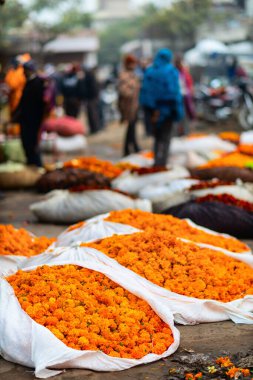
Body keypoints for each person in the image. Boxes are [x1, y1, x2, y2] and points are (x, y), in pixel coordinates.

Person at [140, 48, 183, 167]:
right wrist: (177, 112)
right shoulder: (171, 72)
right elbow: (174, 93)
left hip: (153, 112)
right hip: (168, 112)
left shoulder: (149, 72)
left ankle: (156, 162)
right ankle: (162, 163)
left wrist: (152, 110)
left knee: (157, 137)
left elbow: (144, 94)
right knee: (166, 138)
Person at [15, 60, 45, 167]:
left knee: (32, 145)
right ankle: (31, 164)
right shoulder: (29, 83)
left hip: (33, 121)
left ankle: (36, 166)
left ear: (29, 70)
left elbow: (40, 105)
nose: (23, 73)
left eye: (24, 70)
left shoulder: (37, 83)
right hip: (26, 120)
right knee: (26, 144)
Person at [118, 54, 141, 156]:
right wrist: (132, 92)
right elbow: (123, 91)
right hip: (128, 106)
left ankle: (131, 148)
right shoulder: (124, 76)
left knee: (132, 128)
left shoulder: (133, 75)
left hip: (134, 105)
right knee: (130, 128)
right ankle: (130, 149)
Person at [175, 55, 195, 135]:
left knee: (185, 115)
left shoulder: (185, 73)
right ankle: (179, 132)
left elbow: (189, 84)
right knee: (179, 115)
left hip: (185, 97)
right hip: (178, 97)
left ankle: (185, 132)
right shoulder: (174, 73)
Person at [78, 66, 101, 134]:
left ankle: (95, 129)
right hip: (91, 98)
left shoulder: (89, 77)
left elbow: (92, 89)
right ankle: (94, 128)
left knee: (92, 114)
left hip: (91, 99)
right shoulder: (89, 77)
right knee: (91, 114)